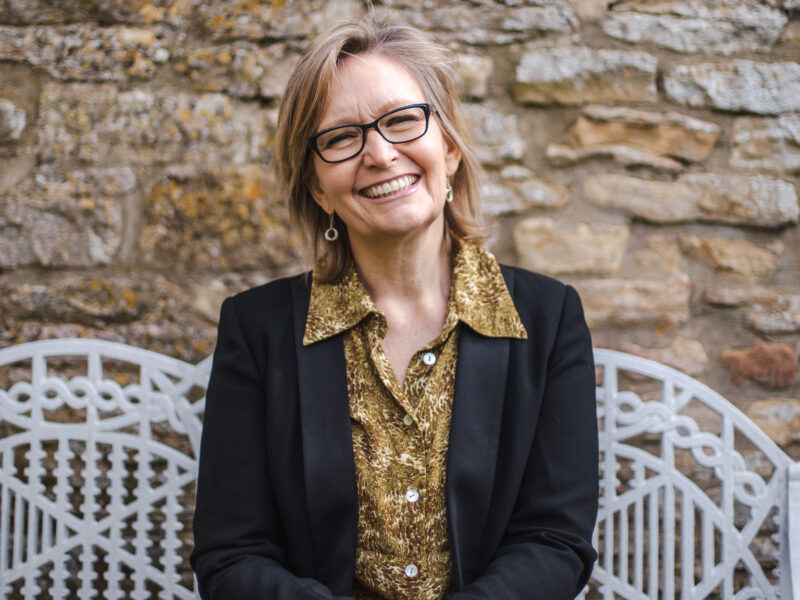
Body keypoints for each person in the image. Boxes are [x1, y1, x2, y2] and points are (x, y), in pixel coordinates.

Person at [190, 17, 598, 600]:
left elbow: (555, 539)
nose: (380, 154)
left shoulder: (548, 318)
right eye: (340, 138)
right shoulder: (258, 330)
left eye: (403, 120)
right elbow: (232, 554)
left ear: (449, 148)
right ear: (318, 188)